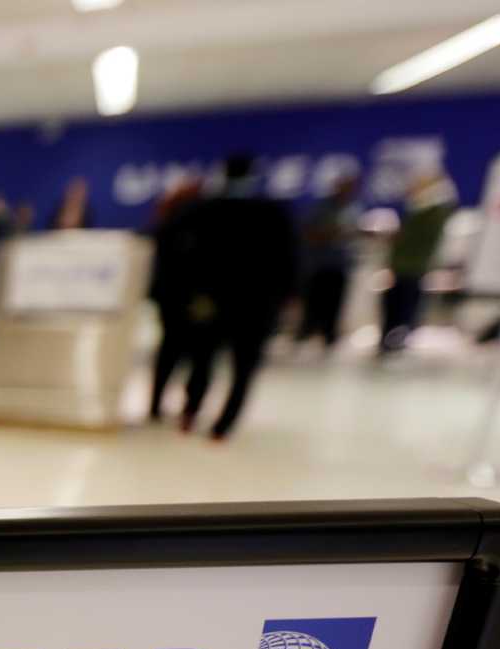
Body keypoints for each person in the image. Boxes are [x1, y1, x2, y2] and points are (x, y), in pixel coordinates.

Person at [170, 154, 298, 441]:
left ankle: (190, 412)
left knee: (203, 359)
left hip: (212, 300)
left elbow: (183, 255)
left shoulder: (206, 210)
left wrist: (191, 293)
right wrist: (288, 295)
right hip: (256, 303)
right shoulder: (271, 213)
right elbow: (289, 259)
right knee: (242, 367)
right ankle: (222, 426)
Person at [379, 167, 458, 357]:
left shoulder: (432, 211)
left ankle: (397, 341)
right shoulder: (418, 210)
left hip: (413, 267)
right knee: (395, 306)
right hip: (402, 266)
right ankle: (389, 342)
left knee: (405, 308)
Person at [147, 177, 205, 423]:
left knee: (170, 352)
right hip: (193, 299)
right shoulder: (198, 223)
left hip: (171, 298)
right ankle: (188, 407)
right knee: (197, 355)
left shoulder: (165, 221)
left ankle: (157, 404)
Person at [296, 174, 361, 349]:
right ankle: (306, 332)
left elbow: (353, 232)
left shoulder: (354, 207)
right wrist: (329, 234)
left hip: (341, 263)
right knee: (314, 300)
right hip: (320, 263)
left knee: (335, 301)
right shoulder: (322, 206)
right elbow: (308, 232)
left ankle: (329, 335)